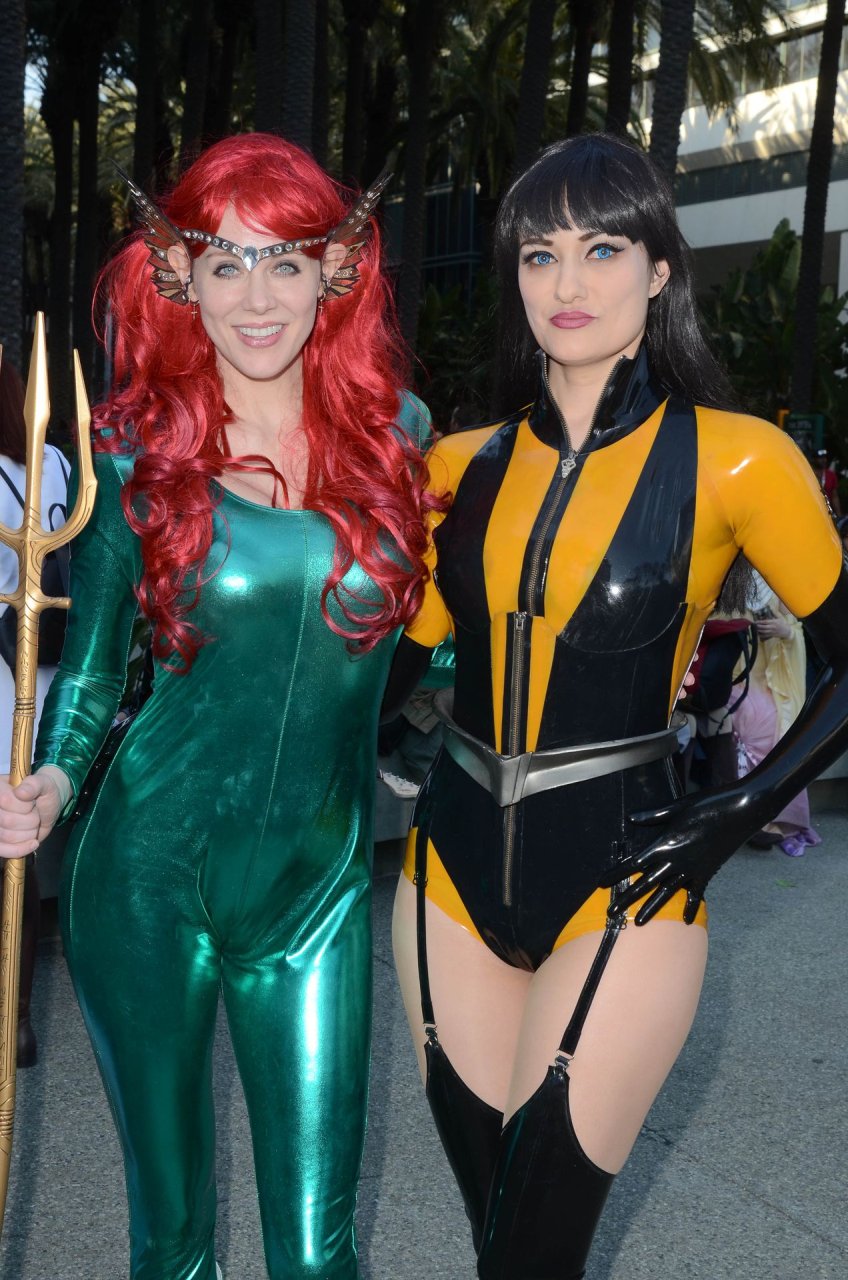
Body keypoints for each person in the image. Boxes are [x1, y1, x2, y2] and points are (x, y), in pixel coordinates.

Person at [383, 133, 848, 1278]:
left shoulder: (738, 460)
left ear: (657, 268)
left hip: (628, 879)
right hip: (444, 878)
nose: (567, 281)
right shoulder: (452, 467)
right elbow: (394, 665)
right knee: (500, 1243)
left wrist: (732, 811)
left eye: (601, 248)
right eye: (537, 254)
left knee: (531, 1253)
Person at [0, 133, 435, 1280]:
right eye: (225, 262)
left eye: (284, 262)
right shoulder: (132, 451)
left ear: (332, 271)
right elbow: (93, 670)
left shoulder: (398, 436)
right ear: (177, 273)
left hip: (317, 890)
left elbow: (428, 636)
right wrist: (50, 779)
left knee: (318, 1250)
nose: (256, 296)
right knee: (175, 1241)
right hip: (145, 882)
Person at [0, 358, 70, 1067]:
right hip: (50, 684)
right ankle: (17, 1018)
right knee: (18, 857)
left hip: (3, 685)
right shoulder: (55, 463)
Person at [735, 570, 821, 857]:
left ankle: (775, 818)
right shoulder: (730, 580)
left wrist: (785, 632)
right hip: (735, 675)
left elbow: (796, 630)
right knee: (751, 718)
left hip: (773, 678)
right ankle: (750, 818)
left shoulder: (777, 580)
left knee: (777, 725)